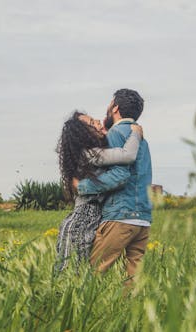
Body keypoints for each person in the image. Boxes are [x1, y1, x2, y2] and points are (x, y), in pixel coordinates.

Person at [74, 89, 152, 283]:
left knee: (91, 275)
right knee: (133, 281)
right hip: (143, 220)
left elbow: (120, 175)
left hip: (120, 216)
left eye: (109, 105)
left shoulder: (115, 134)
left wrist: (82, 186)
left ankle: (84, 313)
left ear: (115, 108)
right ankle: (133, 313)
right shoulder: (142, 139)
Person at [55, 110, 143, 272]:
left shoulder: (92, 152)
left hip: (90, 216)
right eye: (91, 123)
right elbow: (127, 155)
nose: (97, 121)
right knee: (73, 271)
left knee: (77, 270)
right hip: (83, 219)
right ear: (83, 134)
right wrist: (135, 134)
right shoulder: (90, 154)